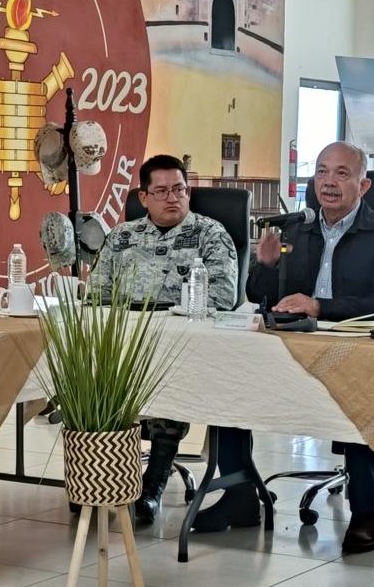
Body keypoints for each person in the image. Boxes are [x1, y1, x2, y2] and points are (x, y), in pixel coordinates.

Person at [196, 141, 374, 554]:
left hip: (353, 350)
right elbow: (260, 296)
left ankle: (366, 511)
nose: (328, 182)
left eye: (341, 173)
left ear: (363, 185)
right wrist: (265, 265)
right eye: (322, 171)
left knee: (361, 398)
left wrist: (321, 306)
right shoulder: (297, 228)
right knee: (229, 378)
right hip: (292, 345)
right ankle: (240, 495)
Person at [88, 154, 238, 525]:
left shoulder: (210, 234)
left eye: (180, 189)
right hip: (124, 343)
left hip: (183, 345)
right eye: (162, 191)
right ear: (143, 197)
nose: (173, 197)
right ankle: (98, 480)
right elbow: (96, 293)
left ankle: (152, 486)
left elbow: (223, 297)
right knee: (91, 380)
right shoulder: (122, 237)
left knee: (168, 379)